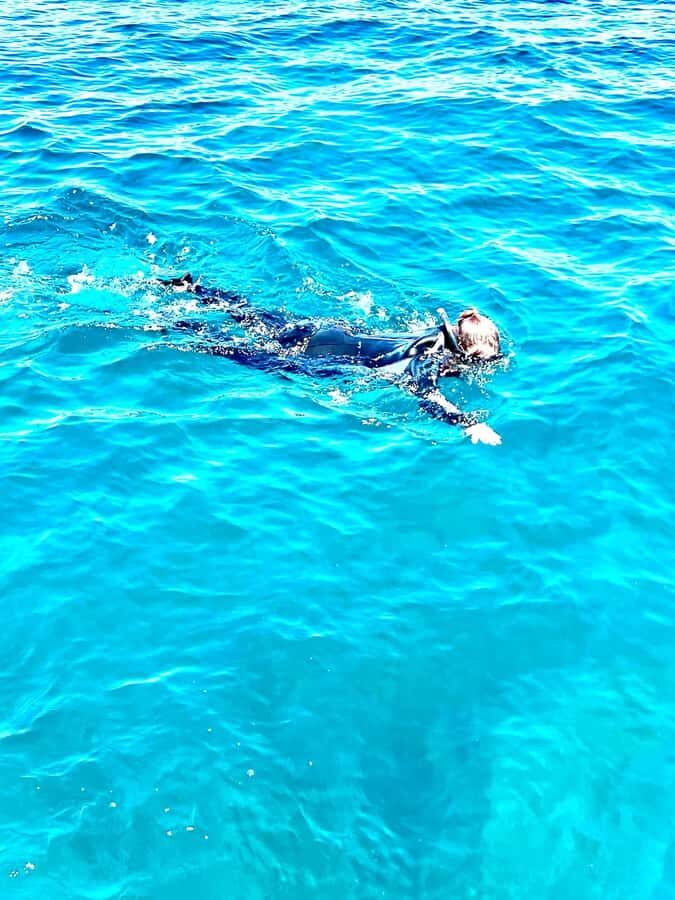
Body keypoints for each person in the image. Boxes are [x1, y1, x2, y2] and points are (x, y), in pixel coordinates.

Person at [161, 273, 504, 445]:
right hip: (319, 356)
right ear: (465, 354)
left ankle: (192, 288)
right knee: (249, 355)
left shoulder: (432, 332)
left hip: (330, 331)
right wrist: (468, 423)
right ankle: (178, 326)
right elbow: (429, 397)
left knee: (254, 317)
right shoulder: (428, 358)